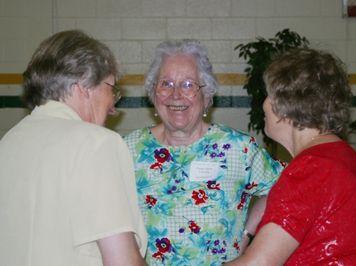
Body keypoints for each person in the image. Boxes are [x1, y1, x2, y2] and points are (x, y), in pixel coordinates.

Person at [123, 39, 283, 265]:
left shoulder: (238, 148)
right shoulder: (129, 149)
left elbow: (283, 185)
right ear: (153, 94)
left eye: (188, 84)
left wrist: (248, 234)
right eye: (166, 83)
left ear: (206, 95)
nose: (176, 95)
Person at [226, 48, 356, 265]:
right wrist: (247, 230)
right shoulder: (350, 163)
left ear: (285, 106)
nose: (264, 103)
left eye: (269, 94)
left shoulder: (310, 170)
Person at [0, 30, 147, 266]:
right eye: (111, 88)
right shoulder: (97, 142)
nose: (113, 107)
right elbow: (122, 262)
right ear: (84, 86)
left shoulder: (8, 142)